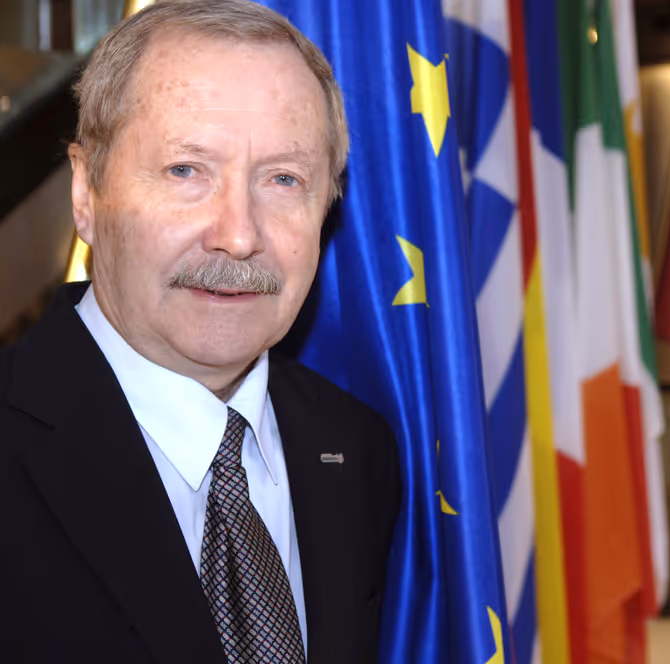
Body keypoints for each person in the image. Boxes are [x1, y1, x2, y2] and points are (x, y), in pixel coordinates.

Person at [0, 1, 401, 662]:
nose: (239, 235)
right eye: (186, 171)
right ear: (84, 194)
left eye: (283, 179)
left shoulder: (355, 451)